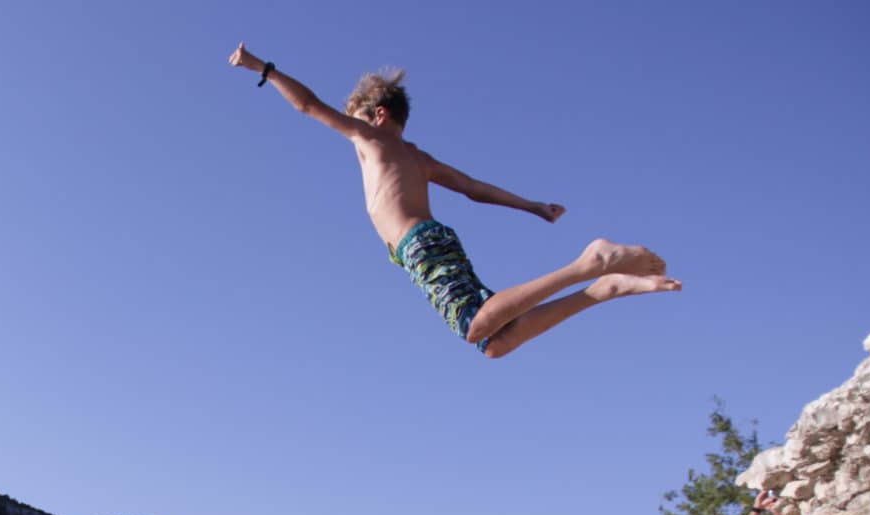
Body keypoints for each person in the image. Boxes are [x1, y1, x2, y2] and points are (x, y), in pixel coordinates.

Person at [226, 44, 679, 359]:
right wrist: (532, 205)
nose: (350, 131)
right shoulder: (418, 158)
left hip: (421, 245)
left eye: (355, 120)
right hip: (430, 243)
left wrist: (263, 69)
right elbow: (473, 188)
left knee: (474, 328)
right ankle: (603, 288)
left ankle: (590, 264)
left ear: (377, 117)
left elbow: (307, 105)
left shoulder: (372, 140)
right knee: (494, 343)